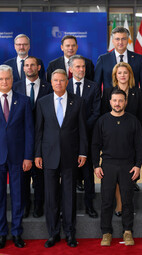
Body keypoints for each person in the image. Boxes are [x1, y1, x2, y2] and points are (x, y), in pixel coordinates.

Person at [35, 69, 88, 248]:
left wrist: (83, 152)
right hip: (48, 156)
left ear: (67, 82)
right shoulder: (42, 103)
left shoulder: (78, 102)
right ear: (51, 82)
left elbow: (82, 129)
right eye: (55, 80)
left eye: (62, 80)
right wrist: (37, 154)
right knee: (50, 197)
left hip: (70, 155)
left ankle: (70, 233)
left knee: (69, 196)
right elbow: (39, 131)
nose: (58, 83)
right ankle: (53, 233)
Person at [92, 89, 142, 247]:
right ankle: (106, 232)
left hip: (128, 166)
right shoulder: (102, 121)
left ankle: (127, 231)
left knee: (127, 200)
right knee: (106, 201)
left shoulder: (133, 121)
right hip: (107, 165)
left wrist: (138, 165)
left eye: (121, 100)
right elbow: (94, 145)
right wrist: (96, 165)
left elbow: (139, 147)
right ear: (110, 102)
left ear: (125, 102)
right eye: (114, 100)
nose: (117, 104)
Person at [101, 62, 142, 213]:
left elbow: (141, 117)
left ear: (130, 75)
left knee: (129, 173)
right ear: (115, 76)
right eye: (119, 73)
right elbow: (103, 117)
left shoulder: (137, 92)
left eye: (125, 73)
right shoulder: (108, 92)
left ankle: (127, 204)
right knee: (116, 175)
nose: (122, 75)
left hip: (132, 137)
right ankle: (119, 205)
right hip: (113, 139)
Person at [12, 56, 53, 218]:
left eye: (32, 65)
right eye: (26, 65)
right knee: (22, 177)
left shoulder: (48, 87)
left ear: (39, 67)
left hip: (43, 139)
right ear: (23, 69)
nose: (29, 68)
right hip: (21, 140)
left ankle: (38, 206)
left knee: (40, 177)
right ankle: (25, 206)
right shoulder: (16, 87)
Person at [0, 65, 34, 249]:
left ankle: (17, 233)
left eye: (7, 78)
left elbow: (29, 131)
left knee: (18, 196)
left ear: (13, 80)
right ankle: (1, 233)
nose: (4, 82)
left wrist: (28, 156)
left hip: (18, 157)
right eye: (1, 79)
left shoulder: (24, 101)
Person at [66, 55, 101, 218]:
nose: (81, 70)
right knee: (69, 174)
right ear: (70, 69)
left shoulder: (93, 87)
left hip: (88, 136)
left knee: (88, 175)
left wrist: (82, 128)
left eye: (83, 67)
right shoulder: (64, 87)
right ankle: (67, 207)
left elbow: (96, 112)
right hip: (68, 138)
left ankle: (89, 205)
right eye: (78, 67)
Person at [94, 26, 142, 110]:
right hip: (110, 106)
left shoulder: (138, 59)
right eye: (117, 39)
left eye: (123, 39)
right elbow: (97, 86)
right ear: (112, 41)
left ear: (128, 40)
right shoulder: (103, 59)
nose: (120, 42)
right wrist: (97, 107)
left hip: (133, 105)